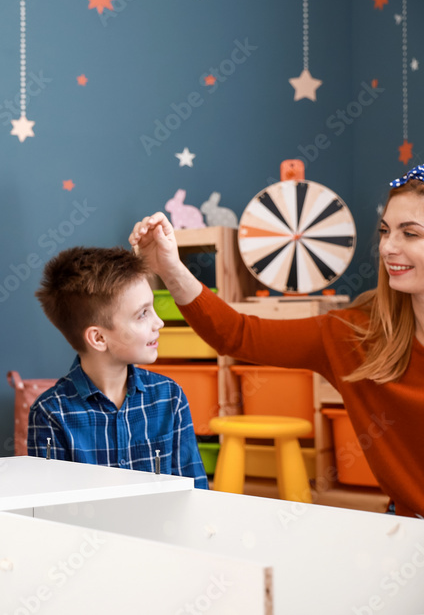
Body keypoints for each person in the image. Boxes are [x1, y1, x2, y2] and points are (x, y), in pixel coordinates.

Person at [129, 165, 424, 517]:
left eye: (410, 234)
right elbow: (235, 334)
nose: (388, 247)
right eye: (385, 231)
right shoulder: (354, 335)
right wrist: (170, 268)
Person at [26, 246, 208, 489]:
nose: (159, 322)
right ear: (99, 338)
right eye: (142, 314)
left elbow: (195, 490)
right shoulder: (51, 413)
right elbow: (48, 508)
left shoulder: (170, 397)